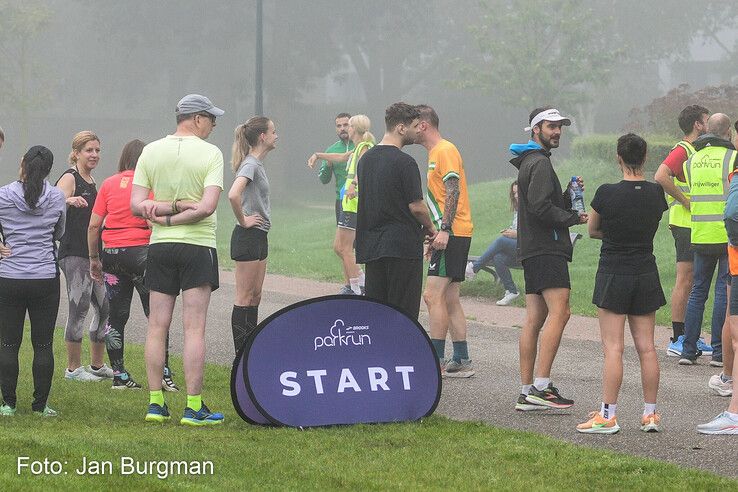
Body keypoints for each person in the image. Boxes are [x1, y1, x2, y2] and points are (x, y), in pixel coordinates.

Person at [131, 94, 225, 426]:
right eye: (212, 119)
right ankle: (193, 406)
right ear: (197, 118)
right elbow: (207, 207)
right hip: (198, 245)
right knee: (194, 327)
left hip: (160, 246)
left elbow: (137, 204)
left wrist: (164, 213)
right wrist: (179, 210)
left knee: (157, 326)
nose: (214, 125)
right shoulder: (211, 153)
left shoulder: (150, 151)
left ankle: (155, 403)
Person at [576, 134, 667, 434]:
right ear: (644, 158)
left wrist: (613, 236)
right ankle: (650, 414)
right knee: (648, 348)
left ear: (618, 158)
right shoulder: (656, 194)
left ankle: (608, 415)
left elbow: (593, 230)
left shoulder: (605, 193)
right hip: (645, 271)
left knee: (613, 348)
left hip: (614, 271)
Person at [510, 107, 587, 411]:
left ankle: (527, 390)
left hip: (532, 249)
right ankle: (541, 387)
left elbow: (539, 203)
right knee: (561, 312)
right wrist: (573, 217)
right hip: (546, 248)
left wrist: (567, 195)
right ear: (535, 129)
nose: (557, 132)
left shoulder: (530, 162)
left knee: (534, 319)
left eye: (559, 127)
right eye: (551, 126)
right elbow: (542, 208)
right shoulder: (539, 164)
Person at [87, 139, 179, 391]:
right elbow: (155, 221)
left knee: (116, 316)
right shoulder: (150, 185)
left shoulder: (108, 183)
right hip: (143, 254)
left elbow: (95, 225)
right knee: (157, 317)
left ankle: (119, 375)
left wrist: (95, 258)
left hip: (113, 255)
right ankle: (164, 375)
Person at [0, 146, 66, 417]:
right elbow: (59, 231)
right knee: (42, 344)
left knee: (8, 343)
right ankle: (40, 406)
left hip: (9, 277)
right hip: (44, 277)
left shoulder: (3, 195)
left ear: (22, 163)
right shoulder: (57, 197)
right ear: (49, 170)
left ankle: (8, 405)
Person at [355, 102, 436, 319]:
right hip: (402, 247)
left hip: (372, 246)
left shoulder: (365, 161)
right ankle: (402, 353)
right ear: (401, 128)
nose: (419, 130)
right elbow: (416, 206)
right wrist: (430, 227)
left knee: (378, 312)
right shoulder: (405, 163)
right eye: (416, 126)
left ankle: (380, 352)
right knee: (403, 314)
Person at [415, 104, 475, 377]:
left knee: (432, 296)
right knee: (450, 297)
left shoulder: (444, 150)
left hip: (453, 232)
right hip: (452, 232)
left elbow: (453, 189)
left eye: (413, 124)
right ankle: (461, 358)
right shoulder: (435, 153)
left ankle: (435, 360)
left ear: (423, 125)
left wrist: (445, 229)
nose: (410, 130)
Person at [654, 105, 710, 357]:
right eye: (706, 119)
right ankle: (678, 338)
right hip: (685, 223)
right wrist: (687, 202)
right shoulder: (682, 149)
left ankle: (690, 336)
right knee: (685, 279)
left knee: (693, 280)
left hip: (695, 224)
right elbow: (661, 176)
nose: (708, 123)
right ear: (697, 124)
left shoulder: (698, 150)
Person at [679, 113, 735, 366]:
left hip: (699, 233)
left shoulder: (692, 160)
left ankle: (688, 350)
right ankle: (719, 352)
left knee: (698, 291)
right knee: (723, 292)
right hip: (725, 235)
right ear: (728, 132)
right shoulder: (733, 158)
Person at [56, 131, 112, 382]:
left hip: (93, 254)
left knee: (105, 307)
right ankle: (73, 369)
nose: (94, 155)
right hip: (74, 253)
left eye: (97, 150)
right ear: (76, 152)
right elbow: (52, 204)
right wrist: (69, 200)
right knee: (78, 307)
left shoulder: (91, 180)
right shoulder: (71, 177)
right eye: (89, 150)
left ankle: (97, 366)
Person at [698, 120, 738, 433]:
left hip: (706, 236)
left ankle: (734, 414)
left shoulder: (694, 156)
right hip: (723, 244)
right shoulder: (730, 159)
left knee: (734, 326)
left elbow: (732, 213)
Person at [308, 115, 375, 295]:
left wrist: (353, 184)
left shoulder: (364, 148)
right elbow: (341, 157)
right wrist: (318, 155)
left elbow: (364, 168)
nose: (346, 129)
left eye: (349, 125)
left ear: (354, 128)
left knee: (345, 248)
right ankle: (361, 281)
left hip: (353, 204)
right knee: (339, 247)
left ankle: (356, 288)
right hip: (347, 204)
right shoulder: (357, 148)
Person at [228, 116, 278, 352]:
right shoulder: (250, 164)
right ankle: (241, 355)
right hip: (247, 236)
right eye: (273, 132)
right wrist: (243, 219)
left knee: (255, 296)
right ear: (262, 137)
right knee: (244, 297)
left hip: (260, 235)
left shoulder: (258, 164)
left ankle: (251, 350)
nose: (276, 136)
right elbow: (233, 194)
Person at [466, 181, 521, 305]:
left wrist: (515, 234)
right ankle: (512, 291)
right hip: (517, 247)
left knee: (501, 241)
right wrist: (509, 231)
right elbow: (516, 228)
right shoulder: (518, 210)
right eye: (514, 193)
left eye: (519, 193)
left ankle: (474, 267)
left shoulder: (531, 210)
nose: (516, 196)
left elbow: (534, 234)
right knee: (498, 257)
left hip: (529, 249)